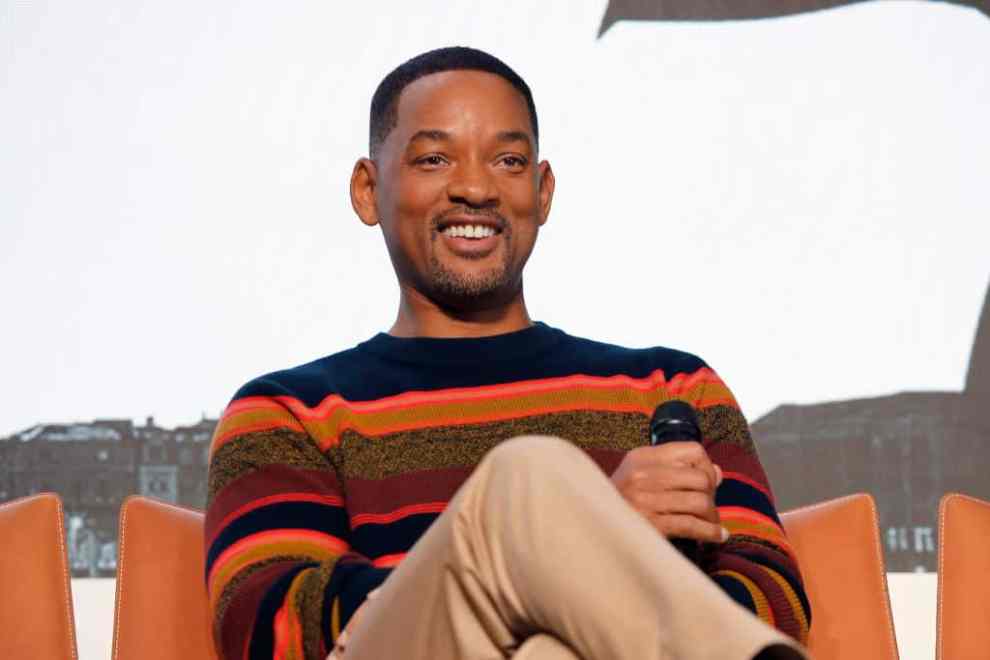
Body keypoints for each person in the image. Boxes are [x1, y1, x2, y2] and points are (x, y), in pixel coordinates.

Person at [204, 47, 810, 660]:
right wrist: (580, 536)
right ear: (368, 190)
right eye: (434, 159)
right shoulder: (289, 412)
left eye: (508, 161)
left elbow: (775, 599)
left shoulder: (672, 388)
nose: (475, 188)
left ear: (542, 193)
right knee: (526, 475)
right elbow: (268, 629)